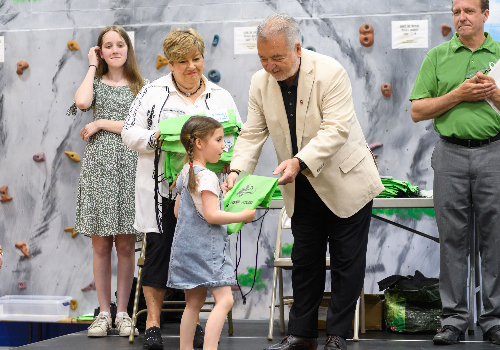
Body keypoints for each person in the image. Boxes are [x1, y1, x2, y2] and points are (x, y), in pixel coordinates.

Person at [222, 14, 383, 350]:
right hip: (300, 185)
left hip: (346, 181)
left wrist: (298, 161)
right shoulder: (259, 83)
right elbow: (252, 133)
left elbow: (336, 129)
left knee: (346, 262)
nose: (270, 66)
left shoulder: (330, 72)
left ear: (297, 47)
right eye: (263, 58)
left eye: (277, 58)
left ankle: (337, 335)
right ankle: (302, 335)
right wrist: (237, 171)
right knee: (304, 260)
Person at [122, 28, 241, 350]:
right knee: (160, 253)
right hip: (163, 192)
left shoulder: (221, 96)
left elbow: (235, 139)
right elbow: (129, 133)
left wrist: (231, 167)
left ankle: (195, 322)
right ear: (170, 64)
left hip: (204, 192)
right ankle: (153, 324)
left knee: (200, 255)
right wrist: (155, 138)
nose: (192, 66)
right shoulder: (151, 93)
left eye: (197, 59)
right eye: (183, 61)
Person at [410, 0, 500, 345]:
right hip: (449, 154)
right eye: (457, 11)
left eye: (469, 11)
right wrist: (459, 94)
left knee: (495, 239)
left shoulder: (499, 53)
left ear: (485, 15)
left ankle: (493, 319)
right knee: (452, 241)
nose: (462, 17)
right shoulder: (437, 57)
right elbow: (418, 111)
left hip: (494, 152)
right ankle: (454, 320)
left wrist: (495, 93)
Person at [66, 25, 146, 337]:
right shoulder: (96, 81)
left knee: (125, 245)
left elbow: (140, 125)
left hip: (130, 166)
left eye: (119, 45)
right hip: (100, 168)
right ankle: (103, 313)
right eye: (107, 46)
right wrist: (90, 64)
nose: (114, 50)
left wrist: (101, 123)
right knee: (101, 245)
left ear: (128, 49)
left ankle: (123, 311)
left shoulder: (141, 85)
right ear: (101, 51)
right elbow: (83, 102)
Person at [167, 116, 255, 350]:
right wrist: (242, 216)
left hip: (186, 248)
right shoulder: (207, 176)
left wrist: (219, 194)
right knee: (224, 300)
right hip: (208, 251)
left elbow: (178, 212)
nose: (223, 146)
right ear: (199, 143)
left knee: (193, 304)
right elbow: (211, 216)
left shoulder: (187, 172)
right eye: (218, 140)